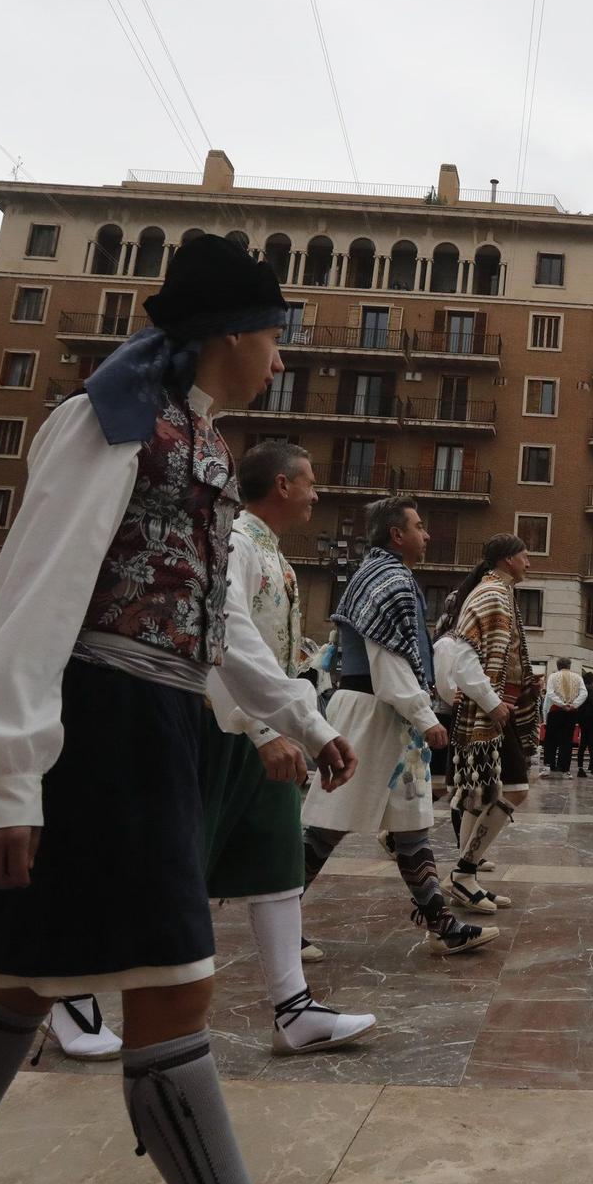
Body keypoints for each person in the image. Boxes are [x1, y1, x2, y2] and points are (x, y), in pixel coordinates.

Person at [0, 233, 358, 1184]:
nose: (281, 355)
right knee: (171, 984)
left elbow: (209, 618)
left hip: (158, 727)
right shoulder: (114, 419)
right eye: (275, 334)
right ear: (234, 332)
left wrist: (297, 716)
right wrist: (6, 776)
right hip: (101, 727)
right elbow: (37, 584)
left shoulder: (200, 442)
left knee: (26, 977)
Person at [198, 441, 376, 1056]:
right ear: (281, 484)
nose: (317, 493)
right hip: (224, 735)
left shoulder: (273, 554)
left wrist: (304, 730)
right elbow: (225, 640)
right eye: (310, 482)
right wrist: (268, 730)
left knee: (277, 864)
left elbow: (271, 654)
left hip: (262, 733)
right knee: (175, 869)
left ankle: (294, 1010)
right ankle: (68, 995)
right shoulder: (236, 544)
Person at [303, 496, 500, 950]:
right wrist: (425, 715)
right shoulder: (389, 579)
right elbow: (387, 662)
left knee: (410, 826)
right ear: (397, 534)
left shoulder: (381, 574)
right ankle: (277, 924)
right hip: (373, 713)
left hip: (387, 715)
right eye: (418, 526)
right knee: (327, 827)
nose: (426, 534)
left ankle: (443, 926)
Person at [443, 533, 541, 913]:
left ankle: (467, 879)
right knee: (514, 790)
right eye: (525, 555)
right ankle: (464, 874)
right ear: (506, 559)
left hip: (499, 709)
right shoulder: (490, 595)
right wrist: (493, 701)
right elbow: (464, 658)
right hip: (490, 711)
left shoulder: (501, 593)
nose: (529, 563)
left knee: (476, 797)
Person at [541, 657, 586, 776]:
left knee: (551, 740)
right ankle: (565, 768)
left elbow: (550, 693)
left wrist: (562, 704)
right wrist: (573, 705)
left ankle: (548, 766)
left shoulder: (553, 676)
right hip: (571, 712)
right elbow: (584, 693)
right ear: (569, 666)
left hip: (556, 711)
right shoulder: (578, 677)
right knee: (567, 741)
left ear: (558, 666)